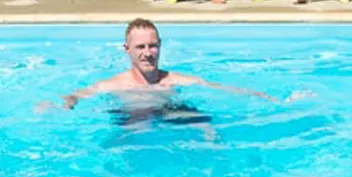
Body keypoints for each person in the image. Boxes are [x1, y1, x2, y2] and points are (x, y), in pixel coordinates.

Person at [50, 18, 273, 112]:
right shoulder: (115, 84)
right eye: (140, 47)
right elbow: (78, 95)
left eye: (152, 46)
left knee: (205, 127)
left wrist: (258, 95)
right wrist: (62, 104)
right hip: (131, 121)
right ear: (127, 49)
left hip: (169, 115)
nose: (148, 53)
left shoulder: (173, 80)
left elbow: (215, 87)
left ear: (160, 45)